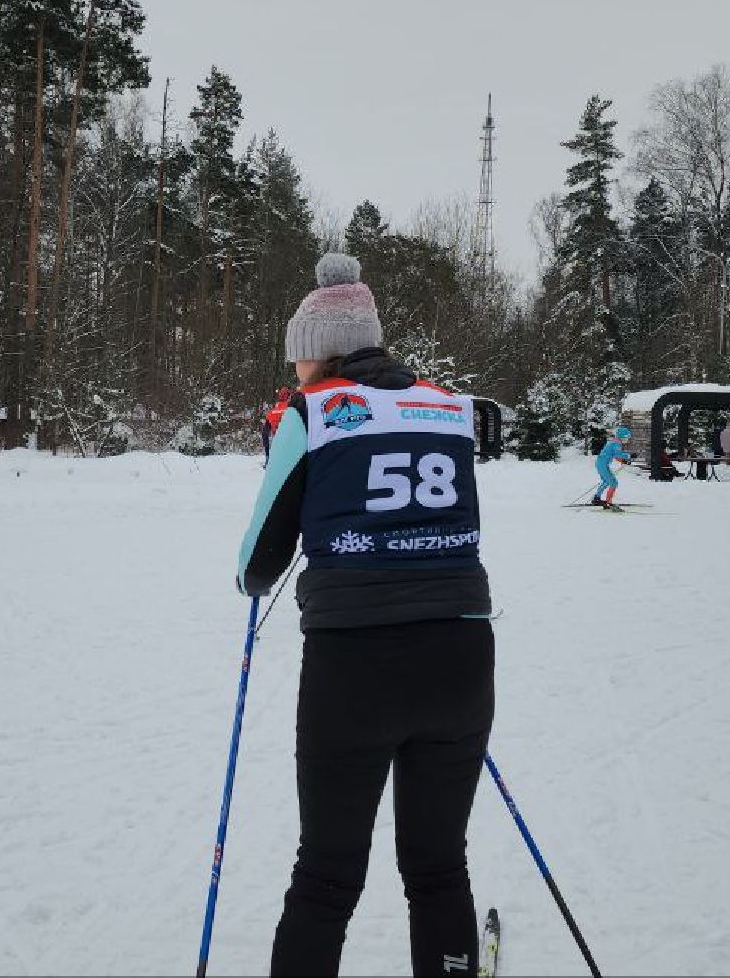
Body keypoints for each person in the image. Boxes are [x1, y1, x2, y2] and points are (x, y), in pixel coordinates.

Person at [237, 252, 493, 977]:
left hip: (353, 667)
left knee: (326, 872)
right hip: (459, 657)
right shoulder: (448, 405)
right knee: (439, 866)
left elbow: (259, 561)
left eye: (297, 361)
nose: (293, 375)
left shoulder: (310, 412)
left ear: (318, 356)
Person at [593, 426, 634, 507]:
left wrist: (623, 461)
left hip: (601, 464)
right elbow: (617, 454)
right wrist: (629, 455)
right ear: (622, 437)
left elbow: (615, 456)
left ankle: (596, 499)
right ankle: (608, 502)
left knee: (607, 481)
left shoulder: (614, 442)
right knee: (613, 483)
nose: (627, 440)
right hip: (603, 465)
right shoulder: (616, 443)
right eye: (626, 438)